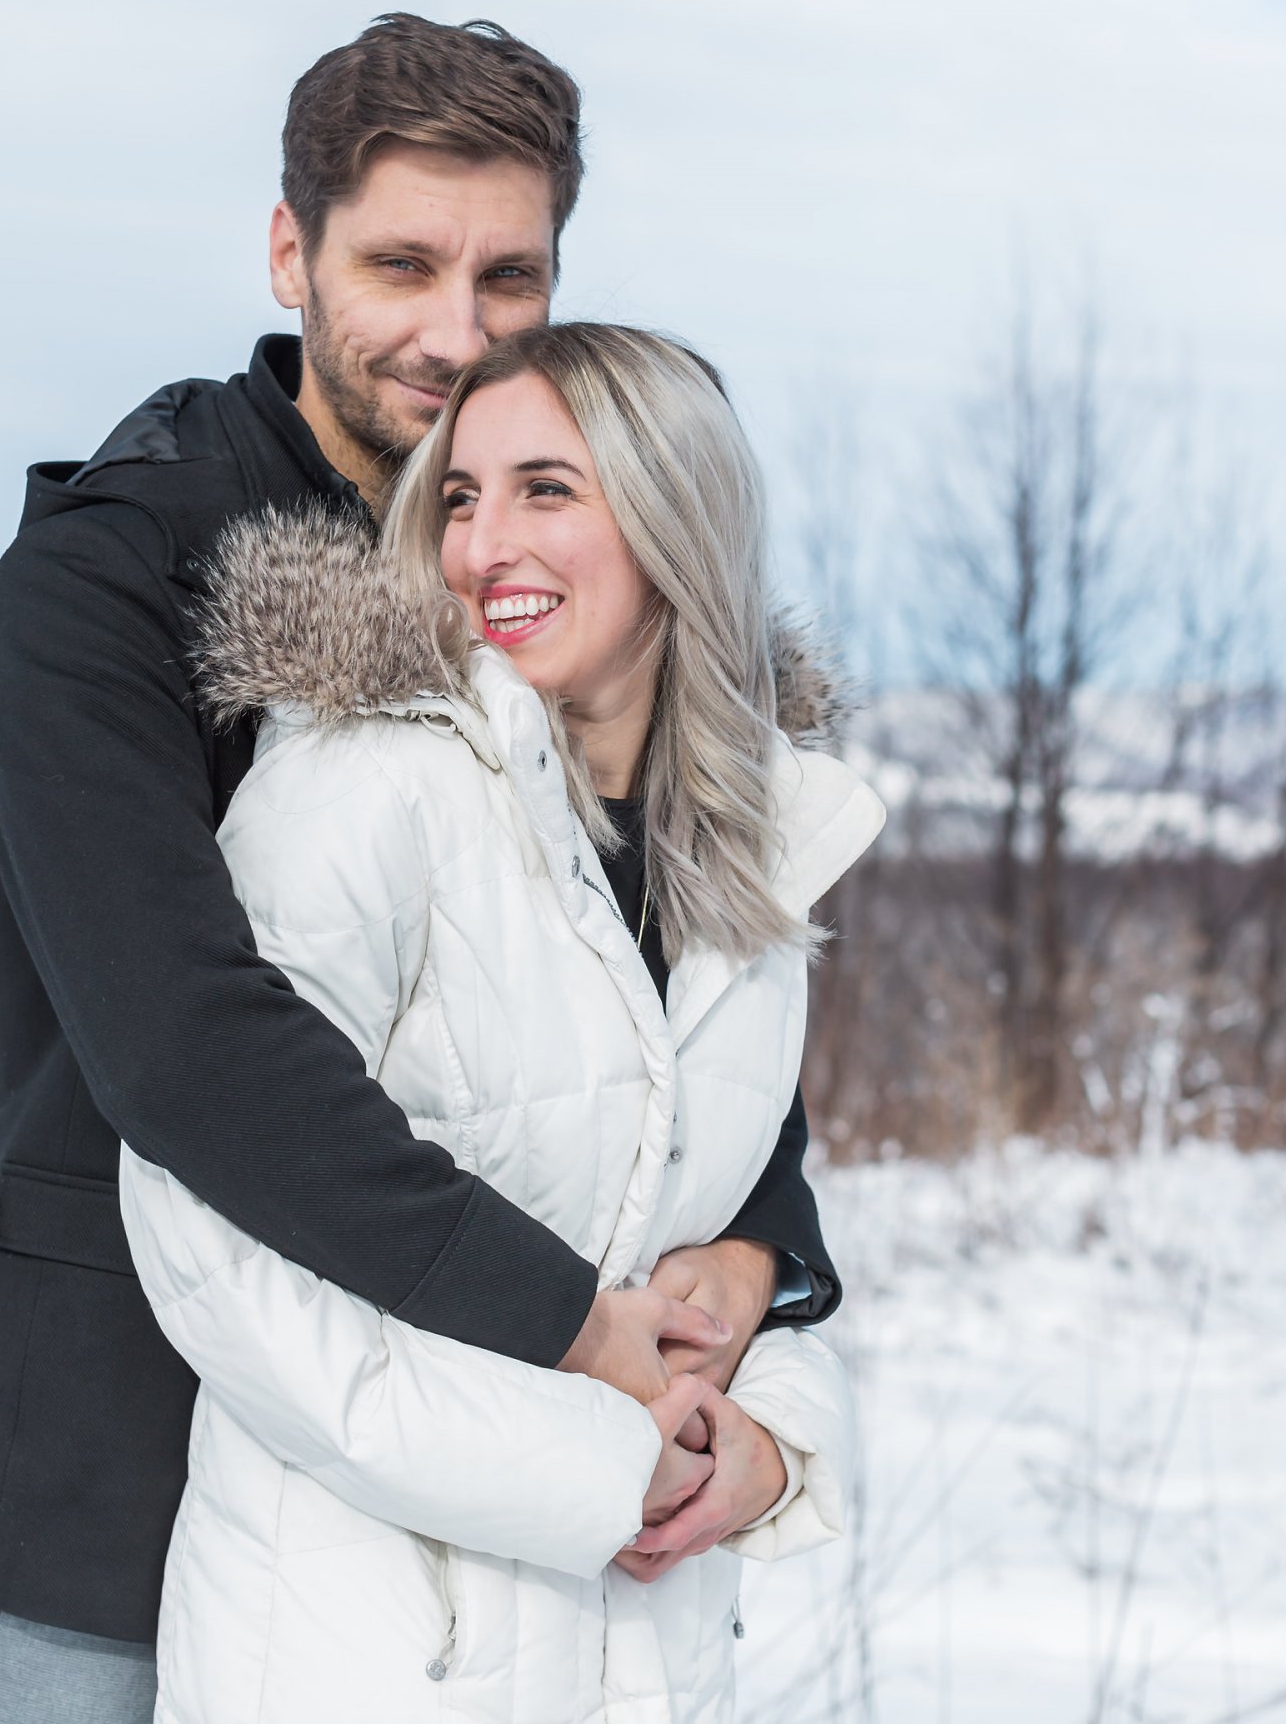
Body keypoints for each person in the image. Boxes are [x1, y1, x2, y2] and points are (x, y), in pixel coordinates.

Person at [0, 17, 846, 1720]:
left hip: (485, 1505)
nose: (455, 331)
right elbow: (185, 1038)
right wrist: (571, 1324)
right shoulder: (111, 579)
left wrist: (761, 1250)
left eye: (510, 276)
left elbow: (661, 997)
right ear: (290, 253)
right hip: (115, 1455)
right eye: (399, 264)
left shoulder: (556, 593)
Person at [126, 322, 882, 1720]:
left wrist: (770, 1447)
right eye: (460, 496)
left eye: (548, 489)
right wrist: (599, 1466)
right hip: (369, 1657)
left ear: (677, 519)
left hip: (645, 1658)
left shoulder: (749, 848)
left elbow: (706, 1227)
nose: (483, 547)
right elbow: (215, 1246)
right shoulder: (360, 791)